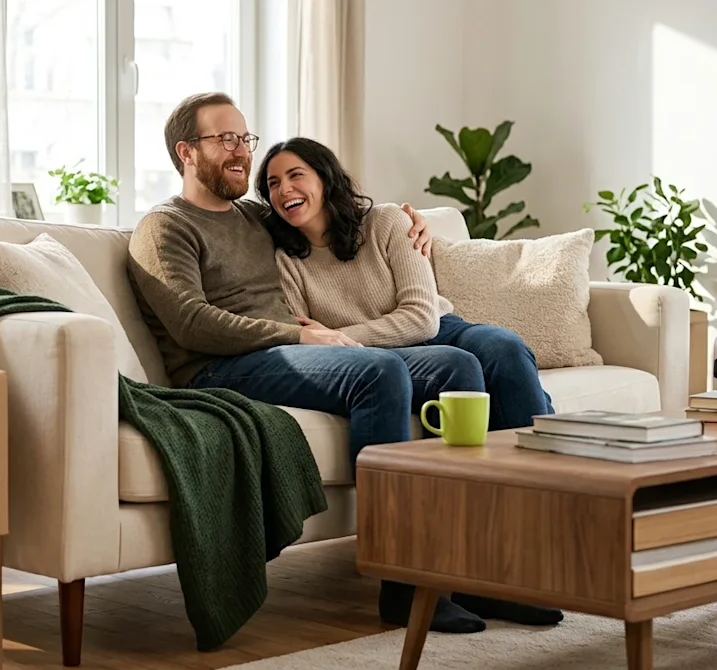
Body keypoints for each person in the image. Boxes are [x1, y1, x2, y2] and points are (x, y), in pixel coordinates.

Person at [126, 92, 541, 635]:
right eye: (225, 139)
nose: (241, 153)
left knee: (454, 367)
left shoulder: (257, 217)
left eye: (244, 139)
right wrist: (298, 334)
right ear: (186, 151)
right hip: (220, 367)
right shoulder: (164, 227)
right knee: (381, 371)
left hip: (286, 351)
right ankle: (401, 583)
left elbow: (332, 212)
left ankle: (471, 571)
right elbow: (192, 323)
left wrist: (416, 223)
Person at [259, 136, 556, 434]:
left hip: (441, 329)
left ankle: (536, 470)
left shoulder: (387, 221)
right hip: (377, 354)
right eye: (273, 183)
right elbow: (310, 340)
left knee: (506, 348)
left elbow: (422, 319)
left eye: (296, 175)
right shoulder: (286, 261)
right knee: (460, 366)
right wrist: (329, 340)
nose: (284, 190)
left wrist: (336, 335)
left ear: (325, 178)